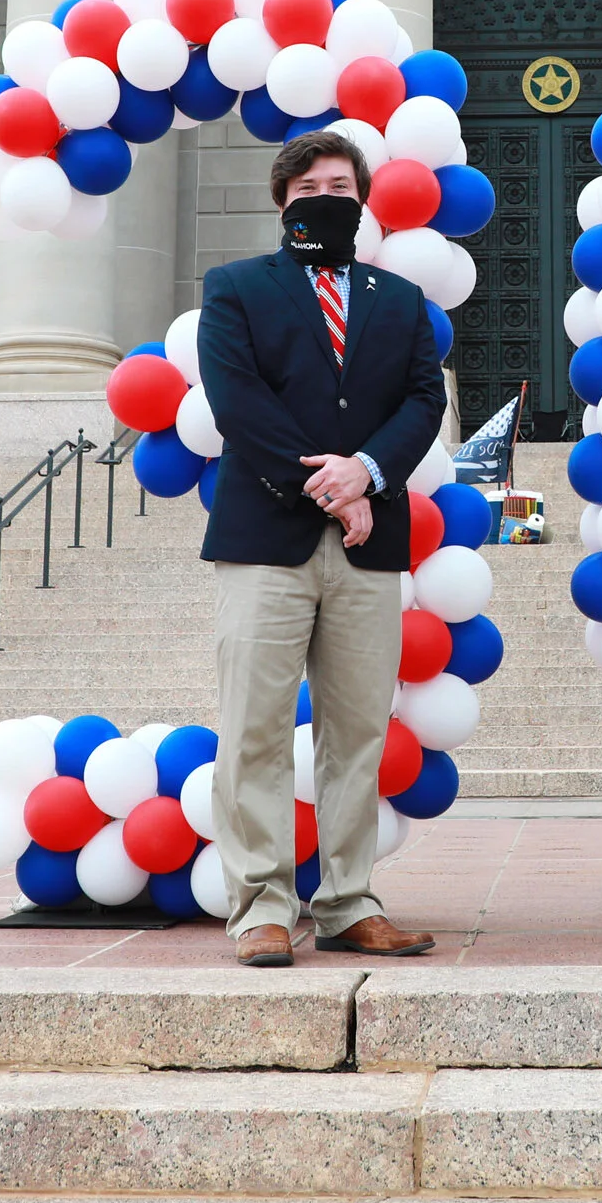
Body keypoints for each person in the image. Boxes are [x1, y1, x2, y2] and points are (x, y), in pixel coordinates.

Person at [196, 131, 449, 968]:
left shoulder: (401, 299)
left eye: (340, 185)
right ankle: (261, 908)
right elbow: (238, 402)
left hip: (369, 547)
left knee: (357, 732)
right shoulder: (236, 288)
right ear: (283, 202)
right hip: (268, 537)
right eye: (308, 187)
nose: (325, 197)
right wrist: (332, 488)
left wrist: (367, 471)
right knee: (254, 727)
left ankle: (348, 902)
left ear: (362, 200)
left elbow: (422, 400)